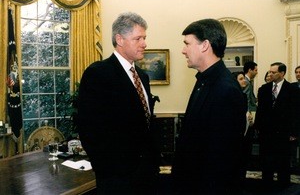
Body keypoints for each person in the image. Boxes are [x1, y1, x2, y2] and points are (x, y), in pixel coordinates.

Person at [77, 12, 160, 194]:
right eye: (138, 38)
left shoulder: (143, 77)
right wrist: (107, 169)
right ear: (120, 39)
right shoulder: (98, 74)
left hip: (146, 174)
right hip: (116, 179)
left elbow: (144, 123)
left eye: (144, 38)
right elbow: (88, 128)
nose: (144, 44)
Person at [172, 19, 246, 194]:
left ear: (204, 45)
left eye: (187, 44)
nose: (183, 50)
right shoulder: (205, 80)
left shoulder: (225, 89)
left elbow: (222, 159)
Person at [255, 62, 300, 191]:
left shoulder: (292, 90)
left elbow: (296, 113)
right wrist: (258, 129)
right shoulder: (263, 89)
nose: (270, 74)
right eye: (270, 72)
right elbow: (260, 111)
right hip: (267, 134)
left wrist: (294, 133)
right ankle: (266, 187)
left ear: (282, 73)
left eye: (273, 72)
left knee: (283, 164)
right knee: (266, 163)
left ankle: (283, 188)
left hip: (284, 134)